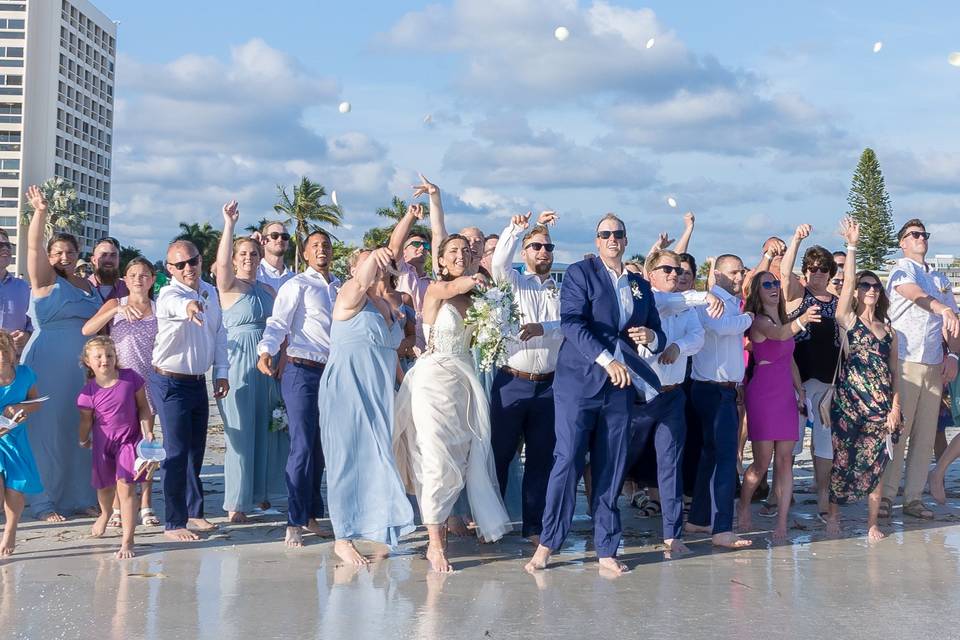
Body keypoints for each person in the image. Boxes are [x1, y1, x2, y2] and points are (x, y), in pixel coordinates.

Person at [527, 213, 666, 577]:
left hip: (620, 389)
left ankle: (607, 546)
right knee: (568, 460)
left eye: (618, 233)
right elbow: (572, 322)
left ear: (625, 239)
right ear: (596, 240)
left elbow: (657, 330)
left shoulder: (639, 283)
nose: (612, 239)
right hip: (579, 382)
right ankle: (548, 541)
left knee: (612, 465)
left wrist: (652, 339)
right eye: (605, 234)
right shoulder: (579, 273)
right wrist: (606, 361)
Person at [394, 234, 510, 573]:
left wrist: (494, 307)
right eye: (452, 252)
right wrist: (472, 279)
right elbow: (449, 290)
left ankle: (445, 521)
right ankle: (435, 542)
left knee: (459, 458)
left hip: (465, 382)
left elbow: (490, 334)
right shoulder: (435, 290)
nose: (460, 255)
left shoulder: (480, 300)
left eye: (466, 251)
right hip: (433, 380)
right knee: (434, 456)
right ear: (441, 261)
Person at [319, 247, 415, 565]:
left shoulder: (386, 304)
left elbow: (390, 354)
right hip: (347, 387)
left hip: (379, 391)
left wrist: (405, 384)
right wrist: (376, 252)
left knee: (379, 459)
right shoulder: (350, 295)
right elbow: (364, 277)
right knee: (345, 461)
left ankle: (378, 530)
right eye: (366, 260)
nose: (375, 263)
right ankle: (343, 538)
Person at [22, 185, 103, 521]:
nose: (63, 258)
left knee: (79, 427)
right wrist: (40, 212)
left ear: (78, 253)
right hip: (47, 363)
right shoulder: (44, 281)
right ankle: (43, 502)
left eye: (69, 252)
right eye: (57, 253)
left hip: (82, 368)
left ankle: (79, 497)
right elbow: (32, 246)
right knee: (46, 431)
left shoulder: (88, 286)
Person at [257, 230, 339, 548]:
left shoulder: (339, 287)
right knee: (302, 446)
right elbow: (278, 323)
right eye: (315, 246)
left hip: (331, 375)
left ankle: (311, 515)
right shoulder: (297, 285)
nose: (322, 250)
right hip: (300, 371)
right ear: (305, 254)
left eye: (326, 245)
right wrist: (266, 350)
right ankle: (293, 519)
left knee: (321, 448)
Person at [825, 219, 902, 541]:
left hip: (881, 406)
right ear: (856, 291)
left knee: (876, 465)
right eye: (864, 285)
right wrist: (852, 246)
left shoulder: (890, 331)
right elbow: (844, 288)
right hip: (849, 404)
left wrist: (895, 408)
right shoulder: (848, 321)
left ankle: (872, 524)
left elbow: (895, 372)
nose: (870, 290)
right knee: (842, 460)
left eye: (875, 286)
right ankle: (832, 515)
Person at [624, 249, 704, 556]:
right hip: (639, 397)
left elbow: (697, 337)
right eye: (667, 269)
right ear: (651, 274)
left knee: (670, 465)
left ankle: (673, 534)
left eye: (678, 269)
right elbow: (668, 303)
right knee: (620, 460)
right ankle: (603, 521)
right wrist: (703, 296)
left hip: (672, 396)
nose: (674, 274)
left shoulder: (686, 306)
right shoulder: (646, 300)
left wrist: (678, 346)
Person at [489, 211, 562, 545]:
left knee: (541, 459)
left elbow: (568, 327)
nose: (542, 252)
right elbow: (499, 262)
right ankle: (492, 524)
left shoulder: (560, 290)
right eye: (535, 246)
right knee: (500, 456)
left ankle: (534, 527)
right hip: (512, 380)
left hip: (548, 385)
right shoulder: (513, 281)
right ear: (524, 252)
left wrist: (544, 328)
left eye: (547, 246)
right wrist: (515, 229)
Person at [880, 219, 960, 520]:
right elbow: (913, 294)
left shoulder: (939, 277)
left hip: (933, 362)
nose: (920, 238)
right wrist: (941, 307)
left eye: (924, 234)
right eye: (913, 235)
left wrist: (952, 354)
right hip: (905, 360)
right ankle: (887, 495)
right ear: (903, 242)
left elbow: (954, 321)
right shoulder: (902, 269)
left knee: (925, 436)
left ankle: (913, 497)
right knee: (899, 430)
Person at [151, 239, 229, 541]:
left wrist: (221, 372)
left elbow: (219, 334)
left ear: (200, 260)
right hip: (169, 380)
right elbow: (176, 304)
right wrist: (190, 306)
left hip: (198, 381)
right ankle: (174, 522)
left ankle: (195, 513)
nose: (188, 269)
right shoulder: (170, 293)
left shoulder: (210, 290)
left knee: (197, 450)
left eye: (192, 262)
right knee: (176, 452)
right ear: (170, 268)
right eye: (180, 265)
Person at [216, 201, 286, 524]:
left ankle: (261, 495)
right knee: (240, 434)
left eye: (253, 254)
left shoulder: (269, 289)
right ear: (233, 260)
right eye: (242, 254)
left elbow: (280, 329)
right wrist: (229, 225)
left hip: (266, 363)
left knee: (267, 429)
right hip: (237, 362)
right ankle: (236, 503)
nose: (248, 258)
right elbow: (222, 263)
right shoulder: (228, 286)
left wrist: (281, 361)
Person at [738, 271, 819, 541]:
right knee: (762, 463)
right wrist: (803, 319)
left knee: (785, 461)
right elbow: (780, 333)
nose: (773, 288)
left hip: (785, 393)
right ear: (757, 293)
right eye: (767, 285)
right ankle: (743, 507)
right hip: (762, 393)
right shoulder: (760, 321)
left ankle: (782, 523)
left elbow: (790, 359)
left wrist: (800, 390)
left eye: (775, 283)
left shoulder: (783, 317)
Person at [82, 257, 160, 528]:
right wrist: (114, 313)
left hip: (149, 381)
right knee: (119, 445)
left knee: (147, 445)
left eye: (144, 275)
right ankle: (117, 506)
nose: (139, 279)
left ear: (152, 279)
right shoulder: (116, 303)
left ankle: (146, 503)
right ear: (124, 279)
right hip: (119, 384)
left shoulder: (159, 308)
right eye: (133, 275)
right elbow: (87, 329)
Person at [685, 254, 755, 549]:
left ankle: (699, 519)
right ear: (717, 274)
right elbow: (724, 327)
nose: (739, 278)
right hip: (712, 390)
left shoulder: (726, 302)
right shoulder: (710, 301)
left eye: (741, 272)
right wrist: (751, 316)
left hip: (723, 388)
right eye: (734, 273)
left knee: (711, 456)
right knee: (726, 458)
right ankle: (722, 527)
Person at [780, 224, 840, 521]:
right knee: (791, 441)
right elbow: (783, 273)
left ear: (830, 273)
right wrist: (796, 239)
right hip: (796, 380)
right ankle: (784, 492)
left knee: (824, 441)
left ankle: (823, 495)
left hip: (828, 384)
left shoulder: (840, 304)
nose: (817, 273)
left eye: (823, 269)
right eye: (812, 268)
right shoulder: (797, 295)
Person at [77, 336, 155, 558]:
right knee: (104, 487)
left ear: (115, 357)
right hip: (103, 444)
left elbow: (143, 407)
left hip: (129, 441)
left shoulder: (131, 378)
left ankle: (127, 541)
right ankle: (105, 512)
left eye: (109, 355)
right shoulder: (88, 392)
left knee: (126, 487)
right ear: (88, 361)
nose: (105, 360)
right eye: (98, 357)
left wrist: (148, 430)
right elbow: (85, 422)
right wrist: (83, 440)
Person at [0, 331, 44, 555]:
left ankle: (11, 529)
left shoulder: (25, 373)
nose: (1, 357)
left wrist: (22, 409)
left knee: (15, 489)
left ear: (12, 351)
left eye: (4, 351)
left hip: (15, 439)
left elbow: (35, 402)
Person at [0, 229, 32, 354]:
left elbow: (33, 321)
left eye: (8, 245)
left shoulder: (23, 287)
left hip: (14, 364)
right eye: (0, 245)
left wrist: (26, 335)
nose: (6, 249)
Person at [255, 221, 295, 292]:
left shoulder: (295, 278)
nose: (280, 239)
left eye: (284, 236)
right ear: (263, 240)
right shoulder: (254, 274)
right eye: (274, 235)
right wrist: (251, 242)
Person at [88, 237, 128, 302]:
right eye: (103, 255)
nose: (108, 260)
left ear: (119, 260)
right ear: (93, 260)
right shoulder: (81, 288)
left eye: (113, 255)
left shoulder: (128, 289)